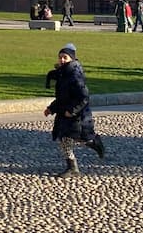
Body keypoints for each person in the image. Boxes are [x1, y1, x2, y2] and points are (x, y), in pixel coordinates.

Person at [43, 42, 105, 177]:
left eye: (65, 57)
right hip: (64, 113)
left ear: (71, 58)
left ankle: (93, 142)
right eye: (60, 57)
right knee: (65, 140)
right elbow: (61, 97)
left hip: (77, 115)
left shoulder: (74, 76)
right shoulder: (63, 74)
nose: (62, 60)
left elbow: (84, 97)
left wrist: (72, 111)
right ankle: (72, 168)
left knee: (78, 138)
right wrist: (51, 109)